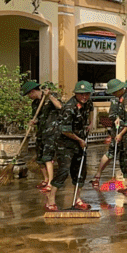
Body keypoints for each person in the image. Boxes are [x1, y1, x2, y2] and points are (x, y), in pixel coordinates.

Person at [46, 81, 94, 212]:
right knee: (64, 170)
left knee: (80, 171)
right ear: (76, 94)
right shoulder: (69, 108)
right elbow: (65, 131)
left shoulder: (88, 102)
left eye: (87, 94)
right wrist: (79, 140)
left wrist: (90, 123)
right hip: (65, 143)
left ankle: (78, 199)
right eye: (82, 94)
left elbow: (91, 110)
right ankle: (51, 199)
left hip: (79, 141)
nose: (85, 96)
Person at [21, 81, 63, 191]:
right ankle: (45, 179)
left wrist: (49, 96)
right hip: (41, 132)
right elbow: (37, 117)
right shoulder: (35, 103)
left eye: (28, 94)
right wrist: (33, 121)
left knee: (47, 157)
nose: (29, 97)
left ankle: (51, 182)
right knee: (40, 158)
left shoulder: (50, 98)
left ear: (33, 91)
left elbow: (60, 106)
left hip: (51, 132)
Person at [89, 79, 125, 190]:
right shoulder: (115, 101)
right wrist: (118, 118)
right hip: (118, 131)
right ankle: (98, 175)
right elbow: (112, 115)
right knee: (111, 153)